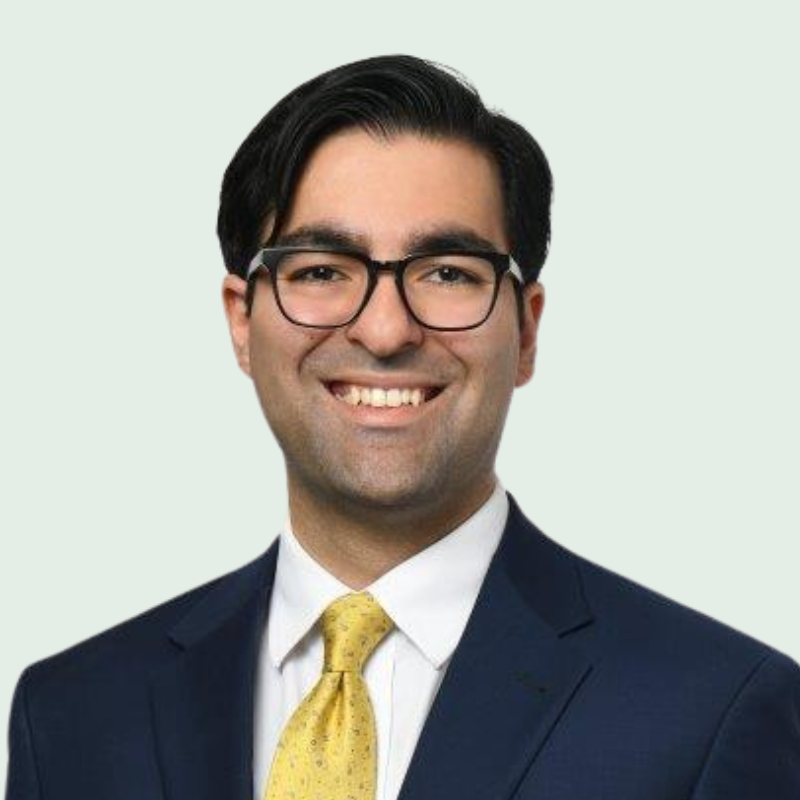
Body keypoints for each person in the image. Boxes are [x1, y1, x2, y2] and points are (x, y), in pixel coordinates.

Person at [5, 54, 799, 800]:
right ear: (242, 322)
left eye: (448, 274)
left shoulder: (711, 713)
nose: (385, 332)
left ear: (524, 331)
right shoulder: (74, 715)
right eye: (321, 270)